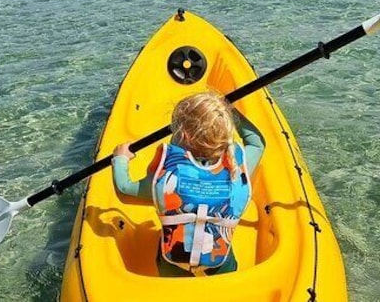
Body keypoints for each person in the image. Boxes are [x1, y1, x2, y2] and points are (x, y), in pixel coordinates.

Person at [112, 90, 265, 277]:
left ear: (183, 135)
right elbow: (257, 143)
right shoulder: (237, 169)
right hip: (220, 266)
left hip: (172, 266)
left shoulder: (167, 177)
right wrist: (229, 109)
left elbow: (124, 189)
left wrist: (120, 158)